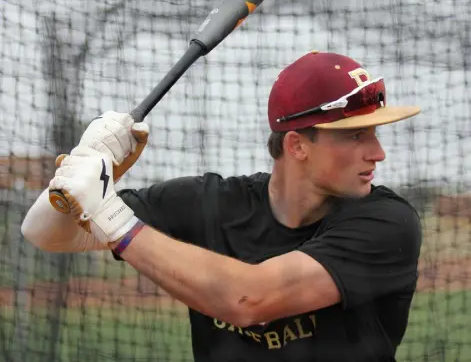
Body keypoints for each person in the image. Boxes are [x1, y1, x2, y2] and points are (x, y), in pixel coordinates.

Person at [22, 51, 422, 362]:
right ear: (297, 145)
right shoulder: (209, 202)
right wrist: (89, 160)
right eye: (356, 137)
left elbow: (249, 300)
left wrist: (111, 215)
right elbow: (45, 233)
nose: (378, 153)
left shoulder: (387, 223)